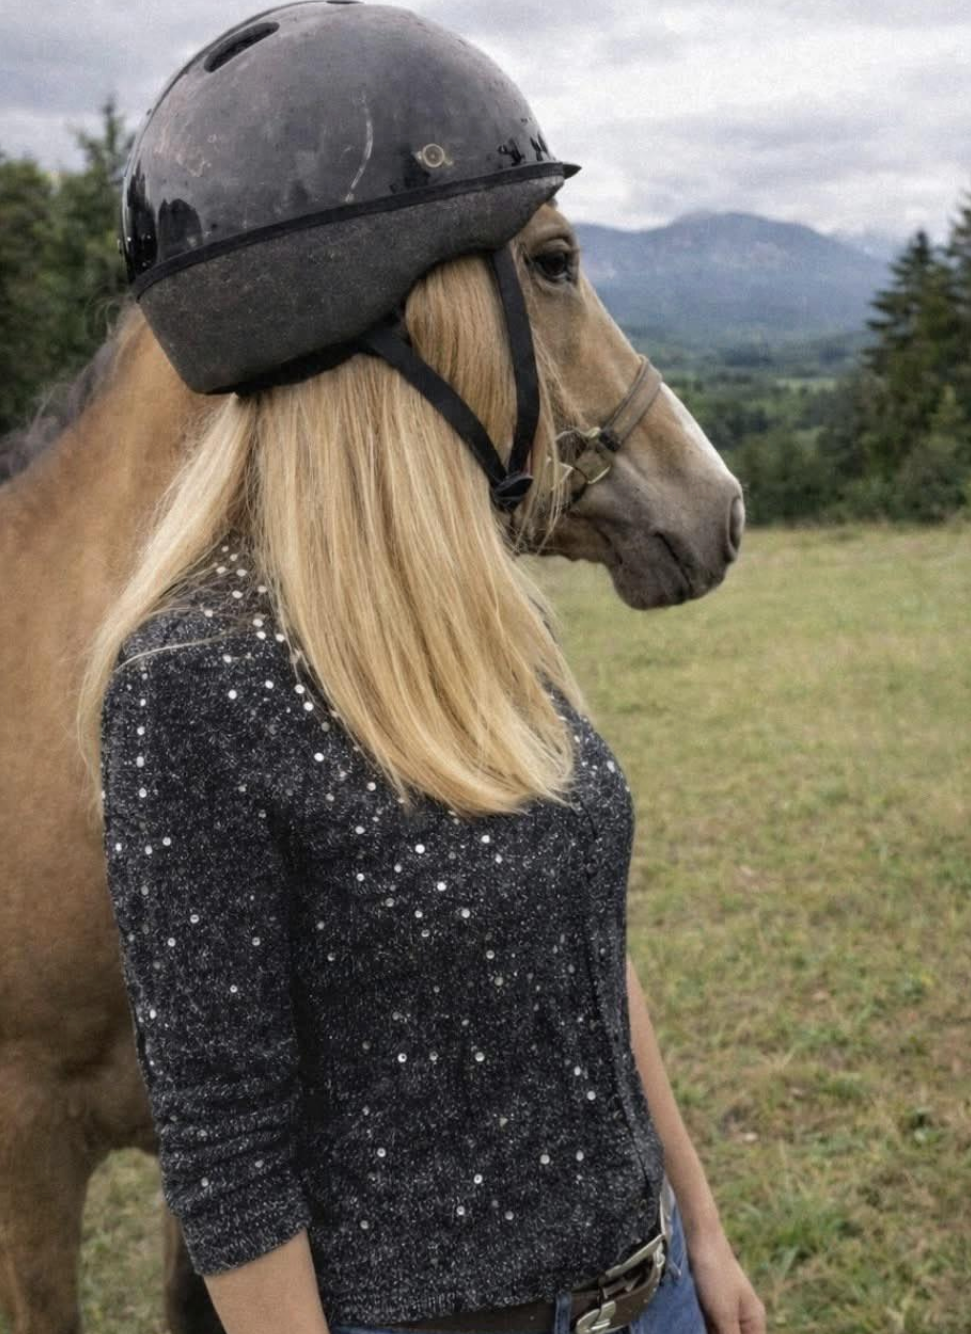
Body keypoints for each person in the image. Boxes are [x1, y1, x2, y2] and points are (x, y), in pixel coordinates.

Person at [79, 5, 767, 1334]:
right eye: (544, 268)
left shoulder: (489, 614)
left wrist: (700, 1229)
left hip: (651, 1288)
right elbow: (228, 1157)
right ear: (418, 314)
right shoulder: (194, 684)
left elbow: (589, 956)